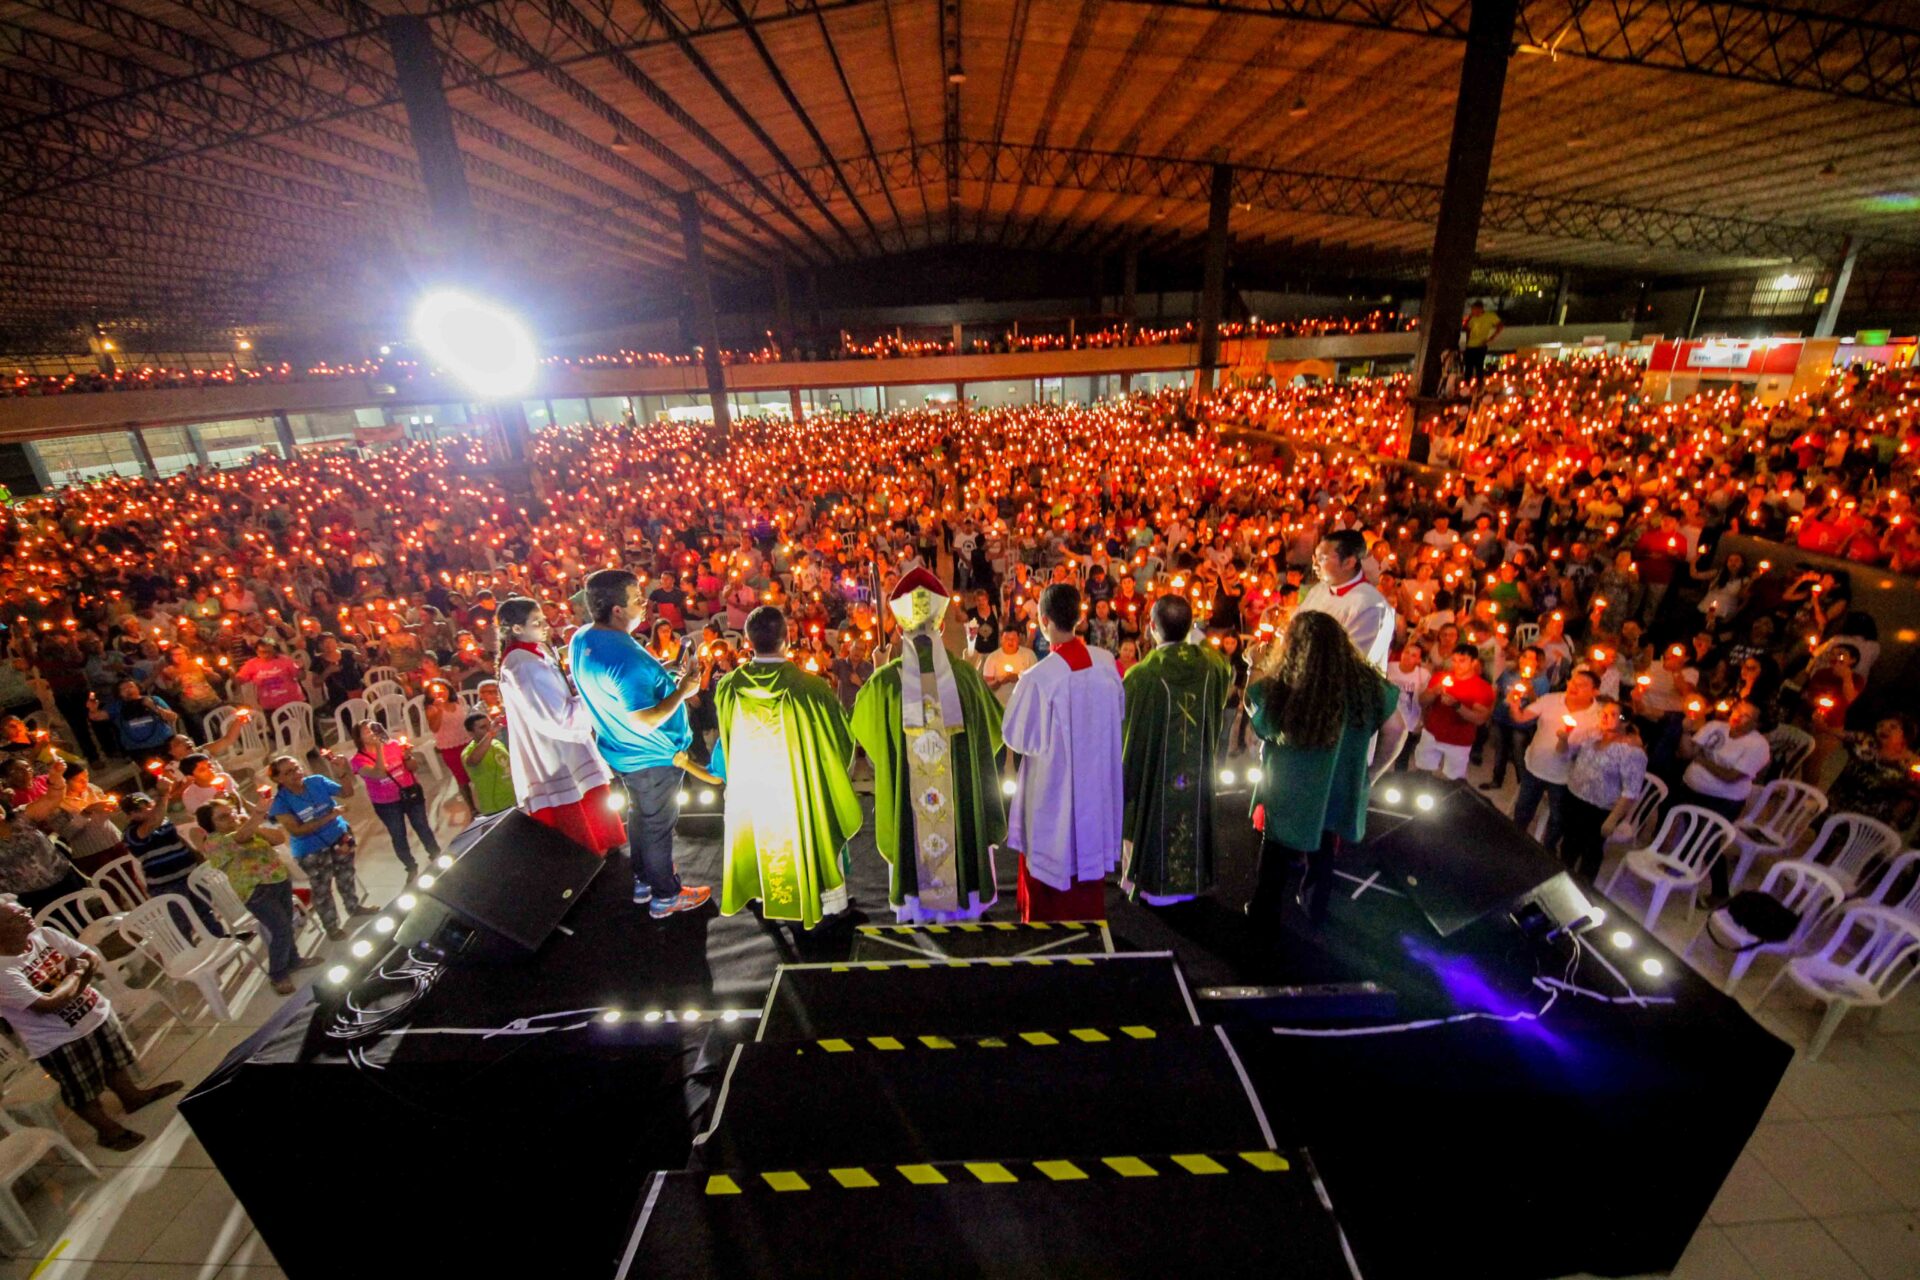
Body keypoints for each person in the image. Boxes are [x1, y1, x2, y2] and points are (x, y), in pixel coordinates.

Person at [851, 569, 1007, 922]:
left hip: (911, 814)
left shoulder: (886, 683)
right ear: (939, 626)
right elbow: (994, 733)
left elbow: (863, 730)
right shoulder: (965, 676)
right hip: (958, 812)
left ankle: (918, 911)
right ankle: (962, 907)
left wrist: (877, 671)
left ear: (901, 627)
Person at [708, 606, 862, 930]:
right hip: (799, 789)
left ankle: (767, 895)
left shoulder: (729, 687)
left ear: (748, 642)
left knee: (763, 835)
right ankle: (824, 901)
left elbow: (728, 737)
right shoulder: (811, 687)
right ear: (788, 639)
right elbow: (841, 742)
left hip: (756, 789)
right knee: (814, 826)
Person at [569, 570, 711, 917]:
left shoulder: (583, 638)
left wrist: (661, 674)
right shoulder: (625, 658)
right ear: (616, 609)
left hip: (623, 752)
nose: (644, 605)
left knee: (640, 817)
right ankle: (666, 896)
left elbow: (620, 690)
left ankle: (644, 880)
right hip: (652, 757)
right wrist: (682, 691)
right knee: (659, 826)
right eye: (636, 599)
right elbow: (643, 719)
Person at [1245, 610, 1398, 926]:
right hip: (1337, 787)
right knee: (1324, 850)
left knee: (1274, 853)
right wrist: (1372, 772)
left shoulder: (1284, 685)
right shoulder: (1367, 685)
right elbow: (1397, 730)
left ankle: (1264, 913)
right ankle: (1315, 907)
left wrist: (1255, 666)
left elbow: (1255, 709)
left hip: (1288, 788)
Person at [0, 900, 182, 1150]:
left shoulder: (45, 935)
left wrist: (70, 985)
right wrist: (75, 975)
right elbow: (48, 1005)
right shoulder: (3, 972)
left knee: (114, 1063)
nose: (26, 917)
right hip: (59, 1040)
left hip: (94, 1013)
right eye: (16, 917)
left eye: (25, 910)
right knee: (82, 1090)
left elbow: (91, 959)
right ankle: (107, 1131)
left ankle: (132, 1098)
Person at [1001, 583, 1125, 922]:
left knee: (1053, 850)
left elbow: (1016, 738)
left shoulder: (1040, 677)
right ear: (1079, 619)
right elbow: (1118, 714)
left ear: (1043, 621)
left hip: (1053, 791)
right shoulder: (1105, 664)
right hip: (1095, 786)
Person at [1120, 596, 1231, 905]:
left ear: (1152, 627)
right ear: (1190, 626)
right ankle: (1191, 881)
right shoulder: (1212, 665)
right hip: (1197, 771)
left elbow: (1128, 734)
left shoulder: (1142, 676)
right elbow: (1225, 678)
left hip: (1157, 775)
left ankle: (1149, 883)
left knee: (1149, 808)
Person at [494, 597, 625, 855]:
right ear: (517, 629)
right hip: (555, 753)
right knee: (577, 830)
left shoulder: (534, 652)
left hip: (565, 749)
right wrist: (593, 697)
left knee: (595, 821)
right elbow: (555, 717)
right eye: (537, 622)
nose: (546, 626)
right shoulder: (522, 665)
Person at [196, 797, 316, 994]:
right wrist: (257, 815)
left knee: (286, 922)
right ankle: (277, 974)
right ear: (211, 824)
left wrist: (254, 825)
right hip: (256, 891)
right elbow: (240, 838)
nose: (231, 818)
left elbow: (278, 838)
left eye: (231, 813)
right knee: (281, 929)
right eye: (223, 817)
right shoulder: (214, 842)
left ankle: (294, 960)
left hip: (278, 880)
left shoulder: (247, 829)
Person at [267, 750, 370, 939]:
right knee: (322, 889)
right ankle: (331, 927)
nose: (296, 773)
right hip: (311, 850)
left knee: (346, 874)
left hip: (339, 836)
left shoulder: (317, 781)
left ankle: (354, 907)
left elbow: (347, 793)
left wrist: (341, 772)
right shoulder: (280, 803)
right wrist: (330, 815)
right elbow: (296, 830)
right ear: (277, 779)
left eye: (296, 768)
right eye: (288, 772)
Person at [1676, 700, 1771, 897]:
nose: (1736, 715)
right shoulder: (1715, 727)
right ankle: (1682, 867)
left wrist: (1701, 759)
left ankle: (1720, 892)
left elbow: (1730, 776)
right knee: (1692, 831)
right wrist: (1686, 731)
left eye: (1745, 715)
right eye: (1736, 709)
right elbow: (1687, 754)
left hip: (1723, 800)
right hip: (1692, 789)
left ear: (1756, 724)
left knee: (1709, 843)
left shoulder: (1758, 745)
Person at [1507, 668, 1604, 852]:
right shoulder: (1551, 699)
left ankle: (1547, 850)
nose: (1574, 687)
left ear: (1595, 692)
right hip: (1535, 766)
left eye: (1582, 685)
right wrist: (1514, 704)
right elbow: (1520, 718)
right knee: (1523, 809)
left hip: (1564, 777)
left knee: (1558, 818)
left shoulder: (1598, 716)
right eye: (1573, 682)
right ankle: (1515, 841)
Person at [1559, 698, 1647, 882]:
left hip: (1599, 809)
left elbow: (1631, 791)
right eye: (1603, 713)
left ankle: (1583, 887)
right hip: (1574, 797)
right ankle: (1561, 879)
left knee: (1590, 851)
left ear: (1625, 721)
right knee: (1569, 844)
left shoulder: (1631, 752)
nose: (1605, 717)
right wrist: (1563, 739)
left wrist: (1612, 819)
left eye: (1612, 714)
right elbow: (1565, 754)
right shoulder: (1592, 735)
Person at [349, 720, 438, 878]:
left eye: (372, 729)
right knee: (398, 834)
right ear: (358, 737)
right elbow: (379, 774)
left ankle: (435, 854)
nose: (371, 733)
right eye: (366, 731)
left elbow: (413, 767)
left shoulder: (394, 745)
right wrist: (378, 748)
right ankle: (410, 866)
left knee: (422, 825)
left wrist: (408, 756)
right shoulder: (358, 760)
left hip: (410, 793)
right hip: (387, 803)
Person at [1295, 529, 1394, 670]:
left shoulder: (1372, 606)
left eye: (1322, 559)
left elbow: (1352, 658)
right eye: (1314, 558)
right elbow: (1296, 623)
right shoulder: (1318, 590)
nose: (1315, 565)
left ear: (1348, 562)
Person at [1414, 644, 1494, 780]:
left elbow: (1480, 719)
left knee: (1453, 779)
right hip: (1432, 734)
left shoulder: (1483, 688)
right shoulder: (1440, 677)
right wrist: (1433, 692)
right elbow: (1422, 701)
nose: (1457, 665)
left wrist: (1457, 705)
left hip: (1458, 741)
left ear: (1474, 662)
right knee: (1422, 772)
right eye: (1454, 660)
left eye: (1462, 661)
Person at [424, 681, 476, 815]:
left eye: (443, 689)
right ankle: (472, 808)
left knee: (477, 771)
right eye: (435, 692)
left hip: (467, 741)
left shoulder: (458, 701)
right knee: (462, 778)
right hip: (450, 746)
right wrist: (439, 710)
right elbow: (434, 728)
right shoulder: (431, 709)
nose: (440, 693)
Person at [460, 711, 515, 818]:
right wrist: (490, 734)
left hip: (513, 799)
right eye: (482, 727)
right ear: (471, 733)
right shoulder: (468, 752)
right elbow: (473, 761)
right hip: (494, 807)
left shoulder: (497, 743)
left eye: (489, 724)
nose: (488, 729)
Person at [981, 627, 1037, 707]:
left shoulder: (1029, 655)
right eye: (1007, 638)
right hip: (1000, 705)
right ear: (1001, 640)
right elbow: (986, 686)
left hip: (1023, 704)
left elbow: (1036, 681)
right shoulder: (992, 658)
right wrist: (999, 681)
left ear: (1019, 639)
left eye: (1013, 639)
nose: (1010, 641)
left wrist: (1019, 678)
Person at [1461, 301, 1502, 378]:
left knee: (1479, 366)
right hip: (1470, 345)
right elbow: (1468, 330)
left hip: (1481, 344)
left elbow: (1500, 325)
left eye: (1474, 309)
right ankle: (1467, 384)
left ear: (1480, 309)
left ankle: (1479, 384)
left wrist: (1492, 337)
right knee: (1468, 367)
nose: (1472, 311)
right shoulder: (1472, 318)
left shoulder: (1490, 316)